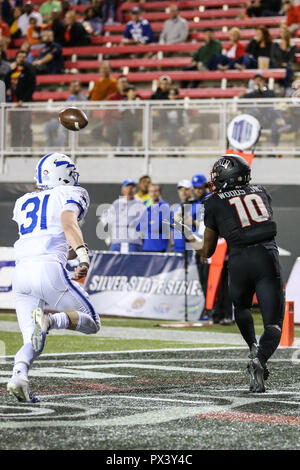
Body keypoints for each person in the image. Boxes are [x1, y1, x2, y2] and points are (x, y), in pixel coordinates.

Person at [6, 152, 100, 403]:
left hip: (22, 274)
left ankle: (19, 376)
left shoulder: (23, 201)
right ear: (62, 174)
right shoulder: (69, 193)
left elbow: (45, 238)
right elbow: (68, 223)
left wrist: (70, 254)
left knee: (31, 338)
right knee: (92, 321)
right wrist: (82, 256)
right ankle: (51, 321)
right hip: (47, 270)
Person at [197, 154, 284, 392]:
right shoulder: (262, 191)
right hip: (266, 256)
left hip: (238, 261)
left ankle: (253, 346)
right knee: (274, 325)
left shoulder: (213, 201)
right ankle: (261, 358)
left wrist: (199, 247)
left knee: (242, 308)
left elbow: (209, 249)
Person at [240, 74, 288, 153]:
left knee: (275, 116)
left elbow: (272, 97)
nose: (257, 83)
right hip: (256, 119)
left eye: (259, 81)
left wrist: (262, 89)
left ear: (263, 82)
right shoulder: (252, 92)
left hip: (267, 117)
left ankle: (273, 147)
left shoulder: (268, 91)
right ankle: (282, 122)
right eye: (256, 81)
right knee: (251, 111)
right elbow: (246, 98)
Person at [102, 179, 146, 253]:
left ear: (135, 190)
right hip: (117, 242)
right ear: (122, 190)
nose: (129, 189)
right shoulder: (117, 203)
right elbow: (108, 219)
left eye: (132, 187)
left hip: (134, 242)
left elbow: (144, 222)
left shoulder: (140, 203)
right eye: (127, 187)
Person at [5, 50, 36, 148]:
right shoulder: (10, 73)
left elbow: (31, 87)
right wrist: (7, 94)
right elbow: (5, 86)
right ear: (16, 58)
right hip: (13, 106)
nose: (21, 59)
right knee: (15, 128)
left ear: (26, 59)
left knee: (26, 127)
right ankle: (15, 149)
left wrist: (23, 100)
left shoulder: (29, 72)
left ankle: (27, 149)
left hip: (25, 106)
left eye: (24, 57)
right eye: (20, 57)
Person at [44, 80, 86, 147]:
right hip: (63, 120)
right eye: (72, 86)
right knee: (47, 126)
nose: (73, 88)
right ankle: (49, 147)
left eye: (75, 86)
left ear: (80, 88)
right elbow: (63, 108)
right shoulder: (71, 97)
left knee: (62, 128)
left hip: (74, 123)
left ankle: (58, 150)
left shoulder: (81, 98)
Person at [138, 183, 170, 253]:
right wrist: (150, 223)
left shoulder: (165, 206)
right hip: (146, 246)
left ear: (160, 192)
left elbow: (157, 227)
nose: (153, 193)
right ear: (148, 193)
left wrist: (146, 223)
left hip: (159, 247)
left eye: (156, 191)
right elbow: (138, 226)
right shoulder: (147, 207)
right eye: (151, 191)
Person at [170, 179, 193, 253]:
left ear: (191, 191)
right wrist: (172, 243)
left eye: (186, 189)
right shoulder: (175, 208)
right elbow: (172, 227)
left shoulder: (196, 206)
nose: (183, 192)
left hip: (191, 248)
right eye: (181, 190)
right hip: (177, 248)